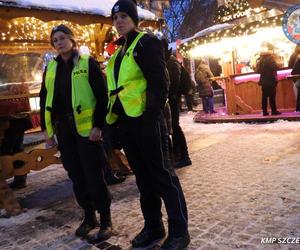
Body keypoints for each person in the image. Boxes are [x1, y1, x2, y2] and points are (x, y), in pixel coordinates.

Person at [107, 1, 190, 249]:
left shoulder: (146, 42)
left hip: (148, 121)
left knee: (163, 176)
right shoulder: (119, 52)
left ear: (134, 19)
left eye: (124, 16)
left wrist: (150, 114)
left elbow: (159, 81)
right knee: (143, 179)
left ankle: (179, 231)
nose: (119, 21)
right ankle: (153, 226)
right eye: (115, 17)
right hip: (128, 124)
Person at [39, 24, 112, 241]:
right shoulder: (50, 68)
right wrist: (47, 130)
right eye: (55, 40)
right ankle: (89, 217)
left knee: (94, 175)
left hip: (87, 131)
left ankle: (106, 219)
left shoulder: (87, 63)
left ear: (72, 39)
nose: (59, 43)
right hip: (64, 130)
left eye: (62, 38)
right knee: (76, 175)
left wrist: (98, 126)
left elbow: (102, 96)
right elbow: (44, 100)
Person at [163, 45, 192, 168]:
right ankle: (177, 155)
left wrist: (171, 96)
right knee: (173, 127)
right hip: (172, 99)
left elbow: (173, 82)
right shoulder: (169, 60)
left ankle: (184, 156)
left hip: (172, 100)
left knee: (174, 127)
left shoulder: (170, 61)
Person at [1, 115, 32, 189]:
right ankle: (20, 180)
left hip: (9, 124)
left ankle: (18, 180)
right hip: (18, 122)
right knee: (17, 151)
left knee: (6, 153)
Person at [256, 46, 281, 116]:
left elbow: (257, 71)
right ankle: (274, 111)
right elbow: (276, 67)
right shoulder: (272, 60)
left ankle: (264, 111)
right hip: (271, 80)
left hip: (263, 81)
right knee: (272, 97)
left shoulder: (260, 61)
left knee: (264, 97)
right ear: (270, 54)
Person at [289, 45, 300, 112]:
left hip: (297, 80)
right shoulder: (297, 59)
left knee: (298, 95)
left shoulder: (294, 56)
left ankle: (298, 109)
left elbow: (292, 70)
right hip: (298, 79)